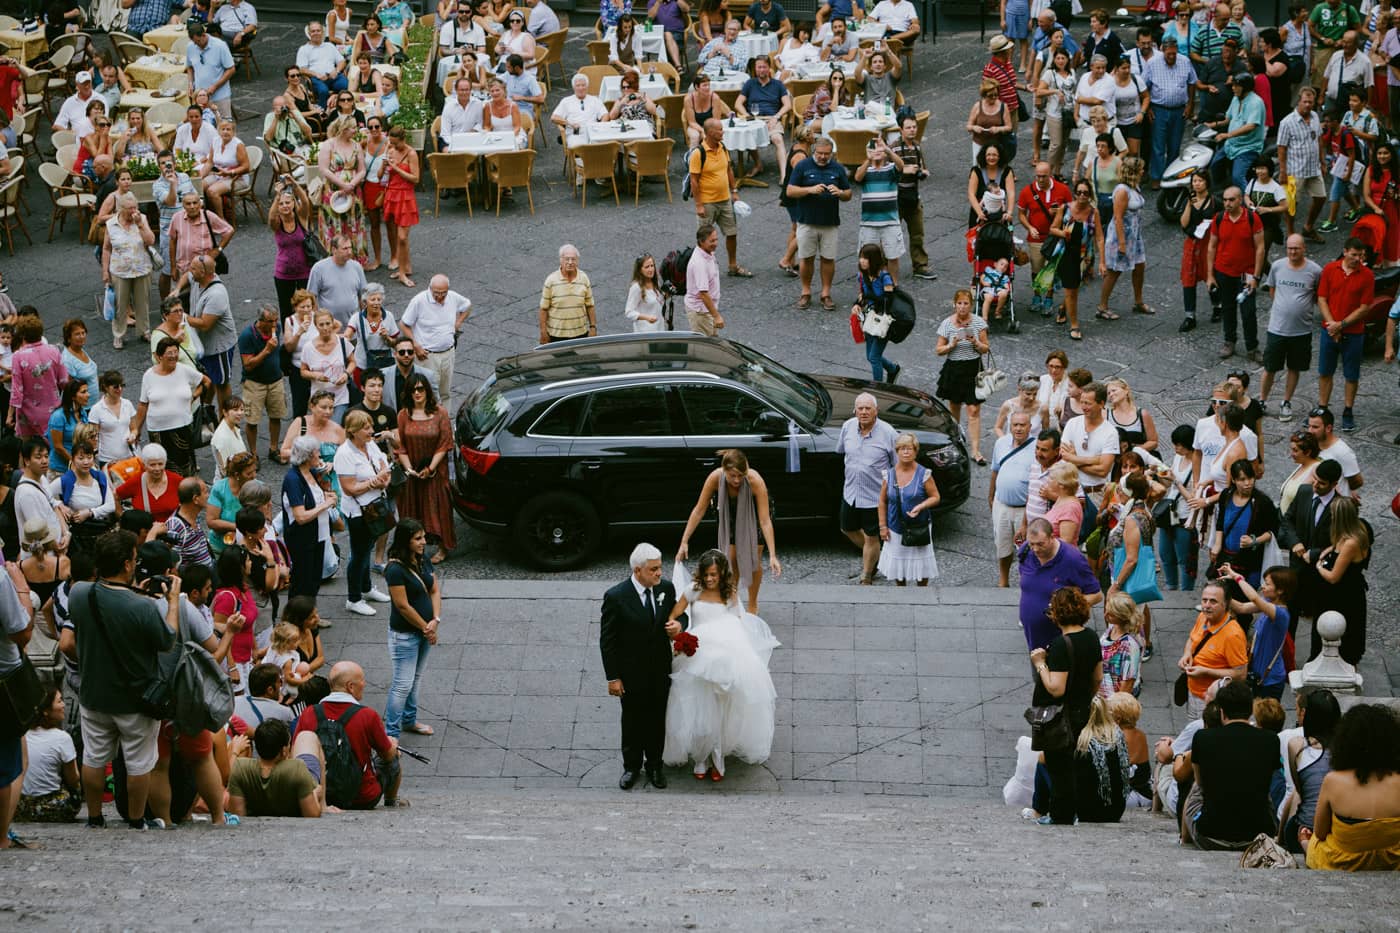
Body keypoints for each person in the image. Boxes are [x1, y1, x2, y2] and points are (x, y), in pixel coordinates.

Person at [71, 530, 180, 830]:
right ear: (126, 565)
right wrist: (172, 603)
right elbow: (167, 641)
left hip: (93, 692)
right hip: (135, 699)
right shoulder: (142, 607)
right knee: (139, 760)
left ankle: (94, 817)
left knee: (93, 756)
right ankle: (135, 820)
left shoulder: (79, 593)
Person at [601, 543, 684, 790]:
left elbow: (680, 614)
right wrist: (613, 677)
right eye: (654, 569)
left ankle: (655, 765)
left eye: (660, 567)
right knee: (633, 719)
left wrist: (679, 625)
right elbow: (608, 640)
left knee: (658, 718)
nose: (660, 573)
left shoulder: (666, 589)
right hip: (631, 672)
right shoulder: (616, 597)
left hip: (660, 669)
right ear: (638, 571)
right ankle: (632, 766)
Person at [1028, 586, 1104, 825]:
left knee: (1058, 766)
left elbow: (1055, 687)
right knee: (1073, 764)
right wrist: (1084, 697)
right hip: (1081, 710)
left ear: (1058, 613)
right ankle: (1074, 811)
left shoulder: (1061, 645)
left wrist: (1040, 663)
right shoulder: (1091, 637)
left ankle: (1060, 815)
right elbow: (1098, 677)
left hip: (1058, 717)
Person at [676, 449, 781, 612]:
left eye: (741, 475)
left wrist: (773, 555)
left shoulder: (755, 481)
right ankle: (733, 601)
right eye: (733, 475)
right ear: (724, 471)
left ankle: (753, 604)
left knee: (753, 558)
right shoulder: (715, 478)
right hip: (728, 512)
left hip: (753, 514)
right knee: (730, 558)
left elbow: (765, 521)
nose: (737, 480)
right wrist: (684, 541)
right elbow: (698, 510)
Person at [1182, 679, 1281, 849]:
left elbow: (1200, 783)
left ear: (1221, 712)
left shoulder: (1203, 738)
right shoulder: (1271, 740)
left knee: (1196, 788)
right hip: (1258, 836)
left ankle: (1184, 839)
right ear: (1250, 711)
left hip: (1210, 834)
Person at [293, 661, 404, 809]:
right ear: (350, 686)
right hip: (362, 797)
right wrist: (392, 745)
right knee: (394, 756)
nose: (364, 684)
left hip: (321, 794)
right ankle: (391, 801)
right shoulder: (368, 715)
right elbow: (388, 756)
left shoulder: (309, 713)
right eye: (362, 680)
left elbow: (295, 753)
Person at [1302, 703, 1400, 870]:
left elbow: (1320, 833)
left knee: (1310, 838)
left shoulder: (1333, 781)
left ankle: (1303, 843)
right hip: (1392, 860)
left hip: (1344, 861)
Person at [382, 519, 440, 738]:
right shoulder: (395, 569)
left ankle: (409, 720)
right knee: (402, 685)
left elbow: (434, 589)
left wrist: (435, 619)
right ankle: (391, 734)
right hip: (405, 636)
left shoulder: (422, 559)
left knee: (415, 680)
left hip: (423, 631)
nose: (423, 542)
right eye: (418, 538)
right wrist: (427, 627)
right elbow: (402, 606)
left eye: (423, 537)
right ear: (405, 541)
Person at [334, 411, 393, 617]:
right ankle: (354, 598)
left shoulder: (370, 445)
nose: (371, 431)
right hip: (358, 512)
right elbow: (350, 488)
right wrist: (373, 483)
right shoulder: (344, 454)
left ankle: (366, 588)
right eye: (366, 428)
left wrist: (384, 478)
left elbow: (383, 463)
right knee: (358, 554)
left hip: (374, 506)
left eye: (370, 426)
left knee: (366, 549)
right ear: (353, 431)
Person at [786, 136, 853, 311]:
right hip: (807, 221)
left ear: (832, 153)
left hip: (830, 222)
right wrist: (809, 190)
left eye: (827, 154)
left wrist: (839, 192)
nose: (823, 157)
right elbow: (790, 191)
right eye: (820, 153)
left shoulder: (837, 168)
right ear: (814, 151)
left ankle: (825, 293)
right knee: (806, 258)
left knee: (828, 258)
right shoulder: (803, 166)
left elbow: (848, 194)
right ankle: (806, 291)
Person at [1259, 235, 1322, 420]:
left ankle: (1286, 401)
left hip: (1301, 330)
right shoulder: (1278, 266)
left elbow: (1319, 295)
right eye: (1289, 248)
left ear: (1304, 249)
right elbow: (1272, 290)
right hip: (1277, 328)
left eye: (1296, 248)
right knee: (1270, 367)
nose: (1292, 252)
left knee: (1294, 367)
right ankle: (1262, 400)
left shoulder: (1315, 271)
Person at [1018, 519, 1102, 652]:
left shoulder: (1072, 559)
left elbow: (1096, 595)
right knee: (1039, 670)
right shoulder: (1026, 551)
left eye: (1040, 544)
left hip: (1061, 642)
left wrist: (1064, 610)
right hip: (1033, 640)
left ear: (1052, 537)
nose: (1035, 549)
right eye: (1032, 544)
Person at [396, 375, 455, 564]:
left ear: (427, 391)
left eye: (420, 389)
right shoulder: (404, 415)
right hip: (413, 469)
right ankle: (413, 548)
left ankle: (443, 546)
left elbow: (445, 443)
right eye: (413, 390)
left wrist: (430, 468)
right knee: (413, 509)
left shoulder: (440, 413)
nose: (417, 393)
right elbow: (401, 446)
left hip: (435, 470)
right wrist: (409, 469)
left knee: (438, 507)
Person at [1316, 238, 1373, 433]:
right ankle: (1322, 408)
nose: (1358, 259)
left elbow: (1364, 307)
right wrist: (1332, 324)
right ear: (1345, 251)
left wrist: (1341, 325)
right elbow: (1322, 298)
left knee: (1351, 375)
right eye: (1354, 254)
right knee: (1325, 371)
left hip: (1353, 333)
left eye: (1361, 255)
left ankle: (1348, 410)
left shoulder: (1367, 276)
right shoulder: (1330, 269)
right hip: (1329, 329)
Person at [130, 340, 208, 479]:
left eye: (176, 352)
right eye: (169, 353)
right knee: (160, 469)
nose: (173, 356)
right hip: (158, 432)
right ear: (159, 357)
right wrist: (137, 429)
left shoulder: (184, 370)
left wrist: (193, 396)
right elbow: (143, 404)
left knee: (185, 470)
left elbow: (206, 381)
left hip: (183, 428)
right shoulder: (149, 375)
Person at [932, 289, 990, 465]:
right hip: (955, 369)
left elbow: (986, 348)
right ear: (954, 304)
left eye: (966, 303)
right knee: (954, 407)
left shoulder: (978, 323)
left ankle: (975, 450)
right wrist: (952, 344)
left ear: (970, 305)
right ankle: (955, 440)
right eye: (959, 303)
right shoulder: (947, 324)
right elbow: (938, 350)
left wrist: (975, 342)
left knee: (974, 410)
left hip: (973, 368)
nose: (962, 307)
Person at [227, 719, 326, 818]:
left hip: (265, 792)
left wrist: (235, 753)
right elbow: (312, 814)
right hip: (300, 788)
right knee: (307, 736)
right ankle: (325, 805)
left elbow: (237, 814)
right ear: (283, 750)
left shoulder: (240, 768)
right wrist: (315, 793)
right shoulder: (297, 768)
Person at [1313, 496, 1370, 664]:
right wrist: (1329, 550)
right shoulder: (1356, 530)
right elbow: (1338, 547)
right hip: (1342, 595)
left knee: (1342, 642)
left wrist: (1319, 567)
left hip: (1344, 598)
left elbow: (1333, 577)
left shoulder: (1351, 543)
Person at [689, 118, 747, 279]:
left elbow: (728, 170)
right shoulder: (698, 153)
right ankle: (702, 270)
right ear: (710, 133)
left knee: (732, 233)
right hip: (707, 202)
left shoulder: (723, 148)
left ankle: (733, 266)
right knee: (704, 238)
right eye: (720, 130)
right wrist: (699, 204)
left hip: (724, 199)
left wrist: (734, 190)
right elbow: (694, 180)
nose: (723, 132)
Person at [281, 435, 337, 600]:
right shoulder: (293, 480)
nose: (319, 456)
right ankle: (297, 618)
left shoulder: (311, 472)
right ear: (308, 456)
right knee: (302, 582)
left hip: (318, 535)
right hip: (302, 538)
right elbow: (300, 516)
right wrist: (326, 504)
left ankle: (310, 614)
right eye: (317, 453)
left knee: (314, 579)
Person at [400, 276, 471, 405]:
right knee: (428, 392)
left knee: (445, 392)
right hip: (427, 355)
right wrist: (416, 345)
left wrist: (458, 322)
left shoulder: (453, 297)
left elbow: (467, 306)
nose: (440, 296)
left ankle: (445, 420)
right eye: (436, 293)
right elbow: (404, 324)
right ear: (430, 288)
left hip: (448, 353)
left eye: (443, 293)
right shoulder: (419, 301)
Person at [180, 255, 237, 414]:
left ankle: (225, 418)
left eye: (193, 269)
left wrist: (182, 317)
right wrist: (176, 290)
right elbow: (187, 276)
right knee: (208, 379)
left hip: (219, 346)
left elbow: (205, 324)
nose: (190, 271)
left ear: (204, 273)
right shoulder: (199, 279)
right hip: (203, 343)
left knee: (221, 382)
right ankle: (206, 414)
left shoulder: (217, 294)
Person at [102, 194, 157, 352]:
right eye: (130, 208)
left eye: (135, 207)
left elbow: (151, 240)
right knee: (120, 304)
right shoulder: (111, 224)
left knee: (143, 303)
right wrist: (105, 271)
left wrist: (140, 225)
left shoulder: (142, 219)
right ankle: (119, 334)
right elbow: (106, 248)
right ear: (120, 208)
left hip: (142, 268)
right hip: (119, 271)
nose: (134, 211)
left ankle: (144, 331)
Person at [1098, 156, 1150, 320]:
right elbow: (1118, 218)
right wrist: (1122, 243)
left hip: (1134, 234)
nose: (1143, 171)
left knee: (1140, 266)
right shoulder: (1122, 191)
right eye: (1141, 169)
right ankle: (1102, 306)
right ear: (1133, 172)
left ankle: (1138, 301)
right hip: (1121, 236)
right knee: (1114, 271)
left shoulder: (1134, 187)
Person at [989, 411, 1035, 587]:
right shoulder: (1001, 443)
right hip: (1001, 504)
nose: (1018, 428)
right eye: (1015, 425)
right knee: (1002, 545)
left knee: (1025, 549)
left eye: (1022, 425)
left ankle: (1026, 582)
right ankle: (1003, 580)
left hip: (1024, 508)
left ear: (1029, 427)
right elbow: (995, 470)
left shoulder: (1036, 447)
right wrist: (990, 495)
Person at [734, 55, 791, 180]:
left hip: (772, 118)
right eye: (759, 67)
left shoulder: (778, 85)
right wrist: (747, 116)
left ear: (769, 68)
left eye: (764, 67)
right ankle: (758, 164)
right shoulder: (750, 83)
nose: (761, 70)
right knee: (747, 136)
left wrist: (776, 117)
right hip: (754, 119)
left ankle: (784, 175)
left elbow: (788, 104)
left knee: (778, 139)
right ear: (755, 68)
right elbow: (738, 104)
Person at [539, 244, 597, 343]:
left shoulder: (584, 278)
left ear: (577, 261)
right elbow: (544, 309)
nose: (570, 262)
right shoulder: (551, 280)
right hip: (556, 335)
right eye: (567, 259)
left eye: (573, 259)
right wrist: (543, 332)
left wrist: (593, 327)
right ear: (561, 260)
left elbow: (590, 305)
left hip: (581, 334)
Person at [307, 236, 369, 327]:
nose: (349, 252)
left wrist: (366, 321)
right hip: (328, 329)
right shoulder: (319, 268)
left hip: (354, 328)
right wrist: (318, 321)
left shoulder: (357, 267)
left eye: (350, 248)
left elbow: (363, 296)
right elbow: (311, 297)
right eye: (345, 248)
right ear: (334, 250)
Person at [184, 22, 236, 121]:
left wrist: (215, 86)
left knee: (224, 125)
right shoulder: (191, 46)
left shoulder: (220, 46)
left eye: (198, 41)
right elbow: (189, 67)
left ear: (204, 35)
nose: (196, 44)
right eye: (194, 42)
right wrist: (190, 83)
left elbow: (231, 69)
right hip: (200, 98)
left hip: (220, 96)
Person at [297, 21, 348, 108]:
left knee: (346, 85)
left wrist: (336, 71)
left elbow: (341, 61)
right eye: (313, 31)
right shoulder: (304, 49)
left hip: (333, 76)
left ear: (322, 32)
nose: (316, 33)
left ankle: (341, 107)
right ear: (309, 33)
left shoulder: (329, 46)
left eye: (318, 30)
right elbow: (301, 69)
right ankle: (322, 112)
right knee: (323, 91)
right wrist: (317, 75)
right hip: (317, 79)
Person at [625, 254, 664, 333]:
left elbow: (658, 301)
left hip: (659, 329)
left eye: (652, 266)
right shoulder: (636, 288)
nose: (650, 269)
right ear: (640, 270)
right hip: (645, 332)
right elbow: (629, 312)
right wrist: (647, 318)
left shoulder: (655, 283)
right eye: (647, 267)